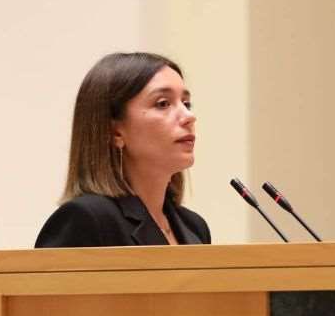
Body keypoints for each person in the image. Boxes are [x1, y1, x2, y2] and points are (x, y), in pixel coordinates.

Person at [35, 52, 210, 248]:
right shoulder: (86, 220)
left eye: (186, 104)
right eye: (163, 104)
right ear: (115, 131)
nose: (189, 116)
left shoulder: (195, 227)